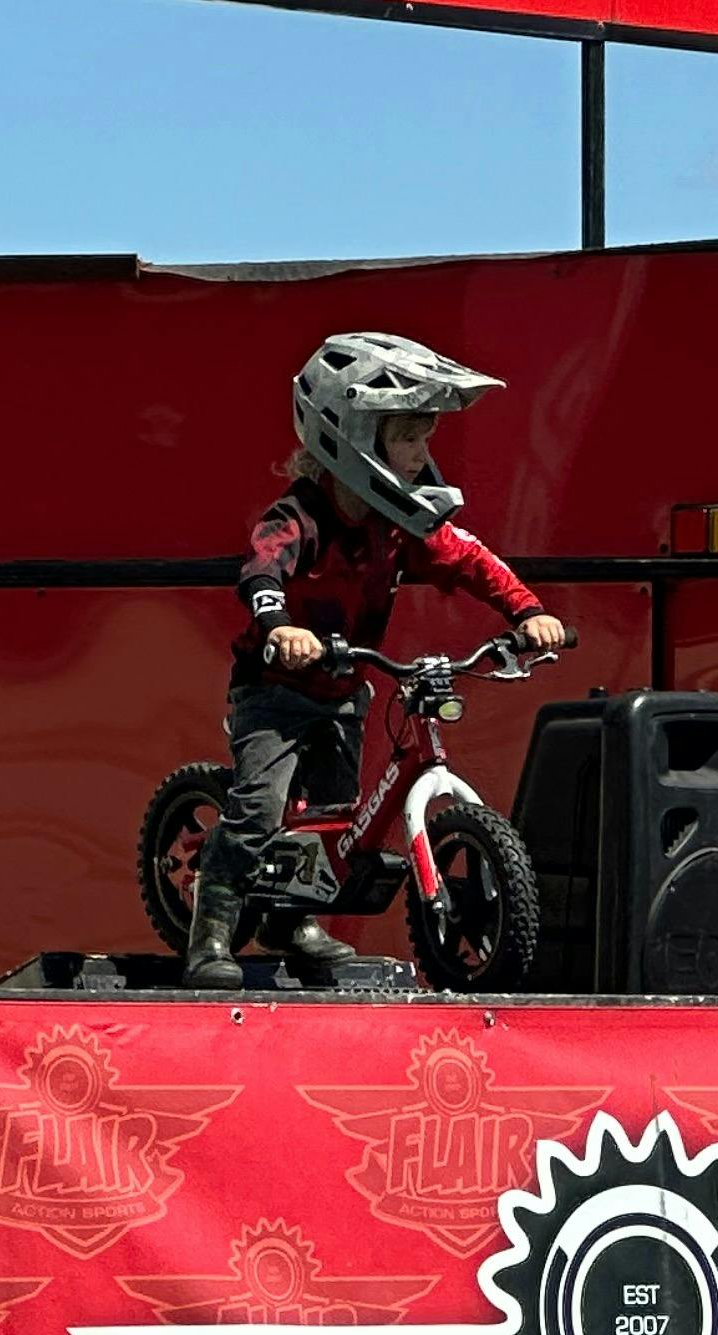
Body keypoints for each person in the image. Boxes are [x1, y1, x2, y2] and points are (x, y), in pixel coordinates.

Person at [192, 332, 570, 988]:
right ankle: (210, 933)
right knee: (259, 809)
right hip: (275, 691)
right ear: (354, 437)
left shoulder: (396, 524)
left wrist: (527, 611)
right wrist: (281, 627)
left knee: (332, 815)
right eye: (409, 439)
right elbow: (262, 573)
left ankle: (292, 925)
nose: (424, 455)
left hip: (343, 690)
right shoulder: (298, 517)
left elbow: (469, 559)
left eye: (425, 438)